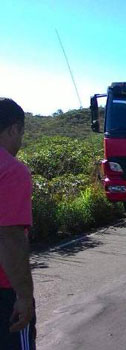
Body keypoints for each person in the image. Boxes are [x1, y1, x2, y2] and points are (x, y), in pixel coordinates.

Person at [0, 98, 36, 349]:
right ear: (14, 129)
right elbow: (10, 238)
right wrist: (24, 297)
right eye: (21, 133)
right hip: (4, 291)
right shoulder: (12, 170)